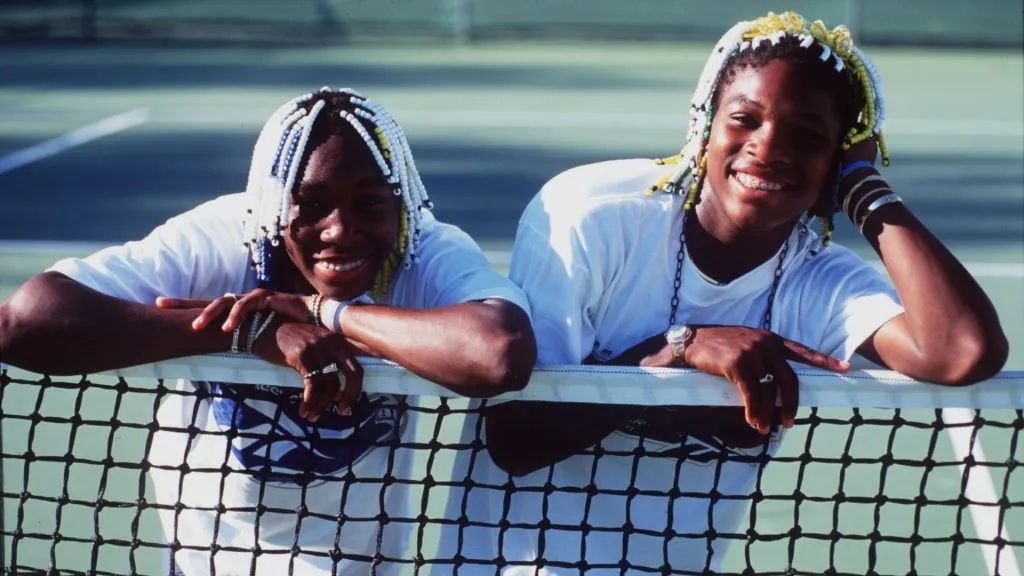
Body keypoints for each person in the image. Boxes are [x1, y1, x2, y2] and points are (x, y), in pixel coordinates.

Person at [442, 12, 1008, 574]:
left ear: (836, 159)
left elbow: (962, 350)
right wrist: (676, 349)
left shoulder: (818, 283)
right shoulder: (591, 217)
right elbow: (515, 436)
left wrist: (865, 188)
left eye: (808, 137)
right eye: (744, 119)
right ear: (705, 123)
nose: (769, 147)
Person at [0, 87, 537, 575]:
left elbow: (497, 353)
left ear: (401, 204)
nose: (340, 231)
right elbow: (23, 322)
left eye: (370, 203)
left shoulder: (422, 251)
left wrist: (322, 312)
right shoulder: (222, 238)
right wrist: (243, 331)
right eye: (311, 204)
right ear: (276, 205)